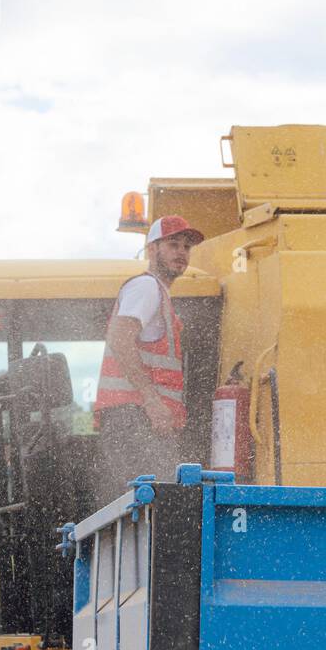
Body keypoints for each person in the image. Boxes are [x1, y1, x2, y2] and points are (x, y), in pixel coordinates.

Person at [92, 214, 204, 507]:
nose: (182, 253)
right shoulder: (146, 287)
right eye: (173, 245)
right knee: (153, 506)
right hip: (135, 419)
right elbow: (120, 339)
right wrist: (152, 400)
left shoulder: (158, 293)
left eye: (186, 247)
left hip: (137, 419)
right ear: (152, 249)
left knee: (145, 507)